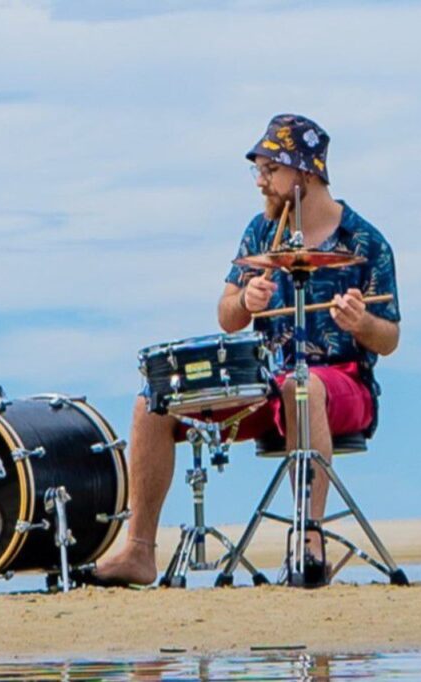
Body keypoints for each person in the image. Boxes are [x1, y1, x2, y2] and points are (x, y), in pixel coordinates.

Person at [86, 114, 400, 587]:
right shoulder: (259, 232)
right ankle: (138, 551)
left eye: (270, 170)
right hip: (266, 383)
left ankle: (309, 542)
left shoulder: (365, 242)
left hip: (343, 384)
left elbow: (390, 338)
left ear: (306, 174)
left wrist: (362, 322)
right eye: (258, 170)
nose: (260, 182)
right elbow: (227, 316)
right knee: (154, 402)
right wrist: (244, 300)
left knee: (304, 384)